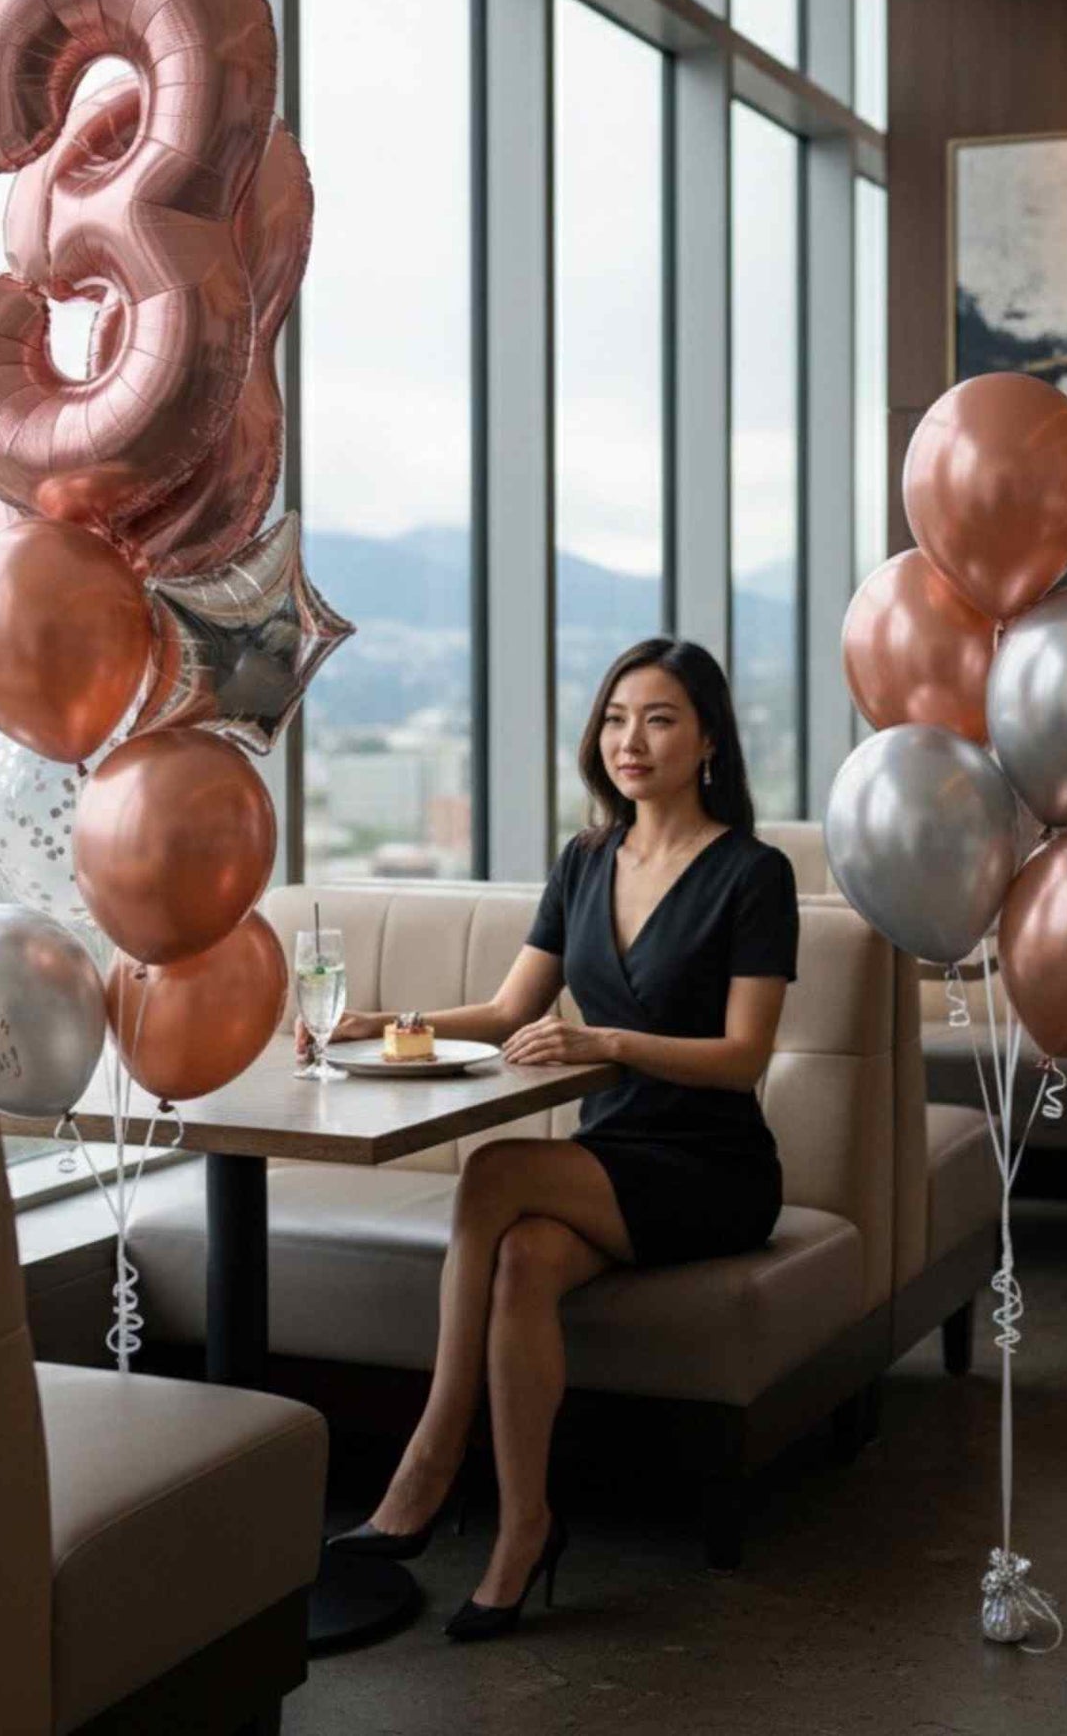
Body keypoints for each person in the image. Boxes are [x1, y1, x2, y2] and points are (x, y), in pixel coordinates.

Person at [304, 637, 799, 1640]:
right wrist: (390, 1019)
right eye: (616, 717)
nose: (631, 739)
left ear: (706, 737)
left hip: (711, 1167)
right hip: (612, 1153)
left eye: (659, 718)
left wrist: (604, 1037)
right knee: (523, 1257)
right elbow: (504, 1006)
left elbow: (745, 1056)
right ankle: (524, 1525)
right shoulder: (583, 860)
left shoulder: (753, 872)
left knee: (492, 1170)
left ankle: (431, 1459)